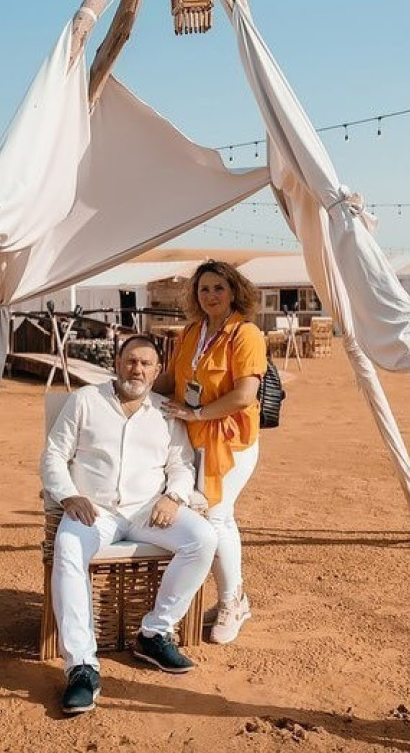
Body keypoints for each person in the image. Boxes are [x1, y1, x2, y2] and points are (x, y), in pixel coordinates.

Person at [41, 336, 217, 715]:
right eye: (131, 361)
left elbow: (182, 464)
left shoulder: (165, 412)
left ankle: (155, 632)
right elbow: (54, 454)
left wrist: (174, 497)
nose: (137, 370)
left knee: (203, 538)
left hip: (148, 511)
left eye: (146, 364)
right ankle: (81, 667)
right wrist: (68, 496)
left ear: (157, 371)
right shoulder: (85, 401)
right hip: (94, 511)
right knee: (68, 547)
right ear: (117, 363)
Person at [154, 260, 267, 645]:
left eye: (219, 288)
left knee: (216, 517)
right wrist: (132, 390)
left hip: (231, 442)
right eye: (204, 289)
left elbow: (245, 394)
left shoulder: (245, 334)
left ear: (233, 291)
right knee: (213, 517)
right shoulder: (191, 332)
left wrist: (198, 412)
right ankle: (232, 598)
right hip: (193, 437)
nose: (211, 295)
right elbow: (173, 379)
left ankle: (233, 602)